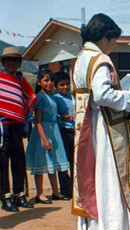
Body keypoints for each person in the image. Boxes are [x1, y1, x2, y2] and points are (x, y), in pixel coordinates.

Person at [72, 13, 130, 230]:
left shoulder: (80, 58)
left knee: (93, 175)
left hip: (87, 125)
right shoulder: (101, 60)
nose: (115, 45)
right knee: (109, 177)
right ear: (104, 38)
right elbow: (102, 94)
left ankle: (97, 229)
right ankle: (113, 229)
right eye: (114, 40)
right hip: (104, 127)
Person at [0, 47, 37, 212]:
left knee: (18, 161)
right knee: (2, 162)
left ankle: (19, 194)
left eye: (15, 60)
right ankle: (5, 196)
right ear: (3, 62)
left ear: (19, 63)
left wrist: (26, 123)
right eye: (8, 60)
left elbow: (27, 100)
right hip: (2, 126)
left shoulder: (21, 79)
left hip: (17, 126)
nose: (11, 63)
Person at [26, 69, 70, 204]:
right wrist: (44, 139)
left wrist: (62, 117)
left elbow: (52, 114)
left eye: (51, 81)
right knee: (41, 163)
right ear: (39, 82)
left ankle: (55, 191)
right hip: (43, 133)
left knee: (53, 162)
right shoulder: (39, 97)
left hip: (54, 130)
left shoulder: (53, 96)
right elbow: (38, 121)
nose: (49, 83)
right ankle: (39, 193)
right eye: (46, 80)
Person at [54, 71, 74, 199]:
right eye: (61, 85)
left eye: (67, 84)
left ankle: (75, 188)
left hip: (74, 132)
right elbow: (52, 115)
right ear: (56, 86)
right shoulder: (55, 98)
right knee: (63, 162)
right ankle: (65, 190)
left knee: (74, 161)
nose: (65, 87)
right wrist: (62, 117)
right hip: (62, 132)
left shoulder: (73, 97)